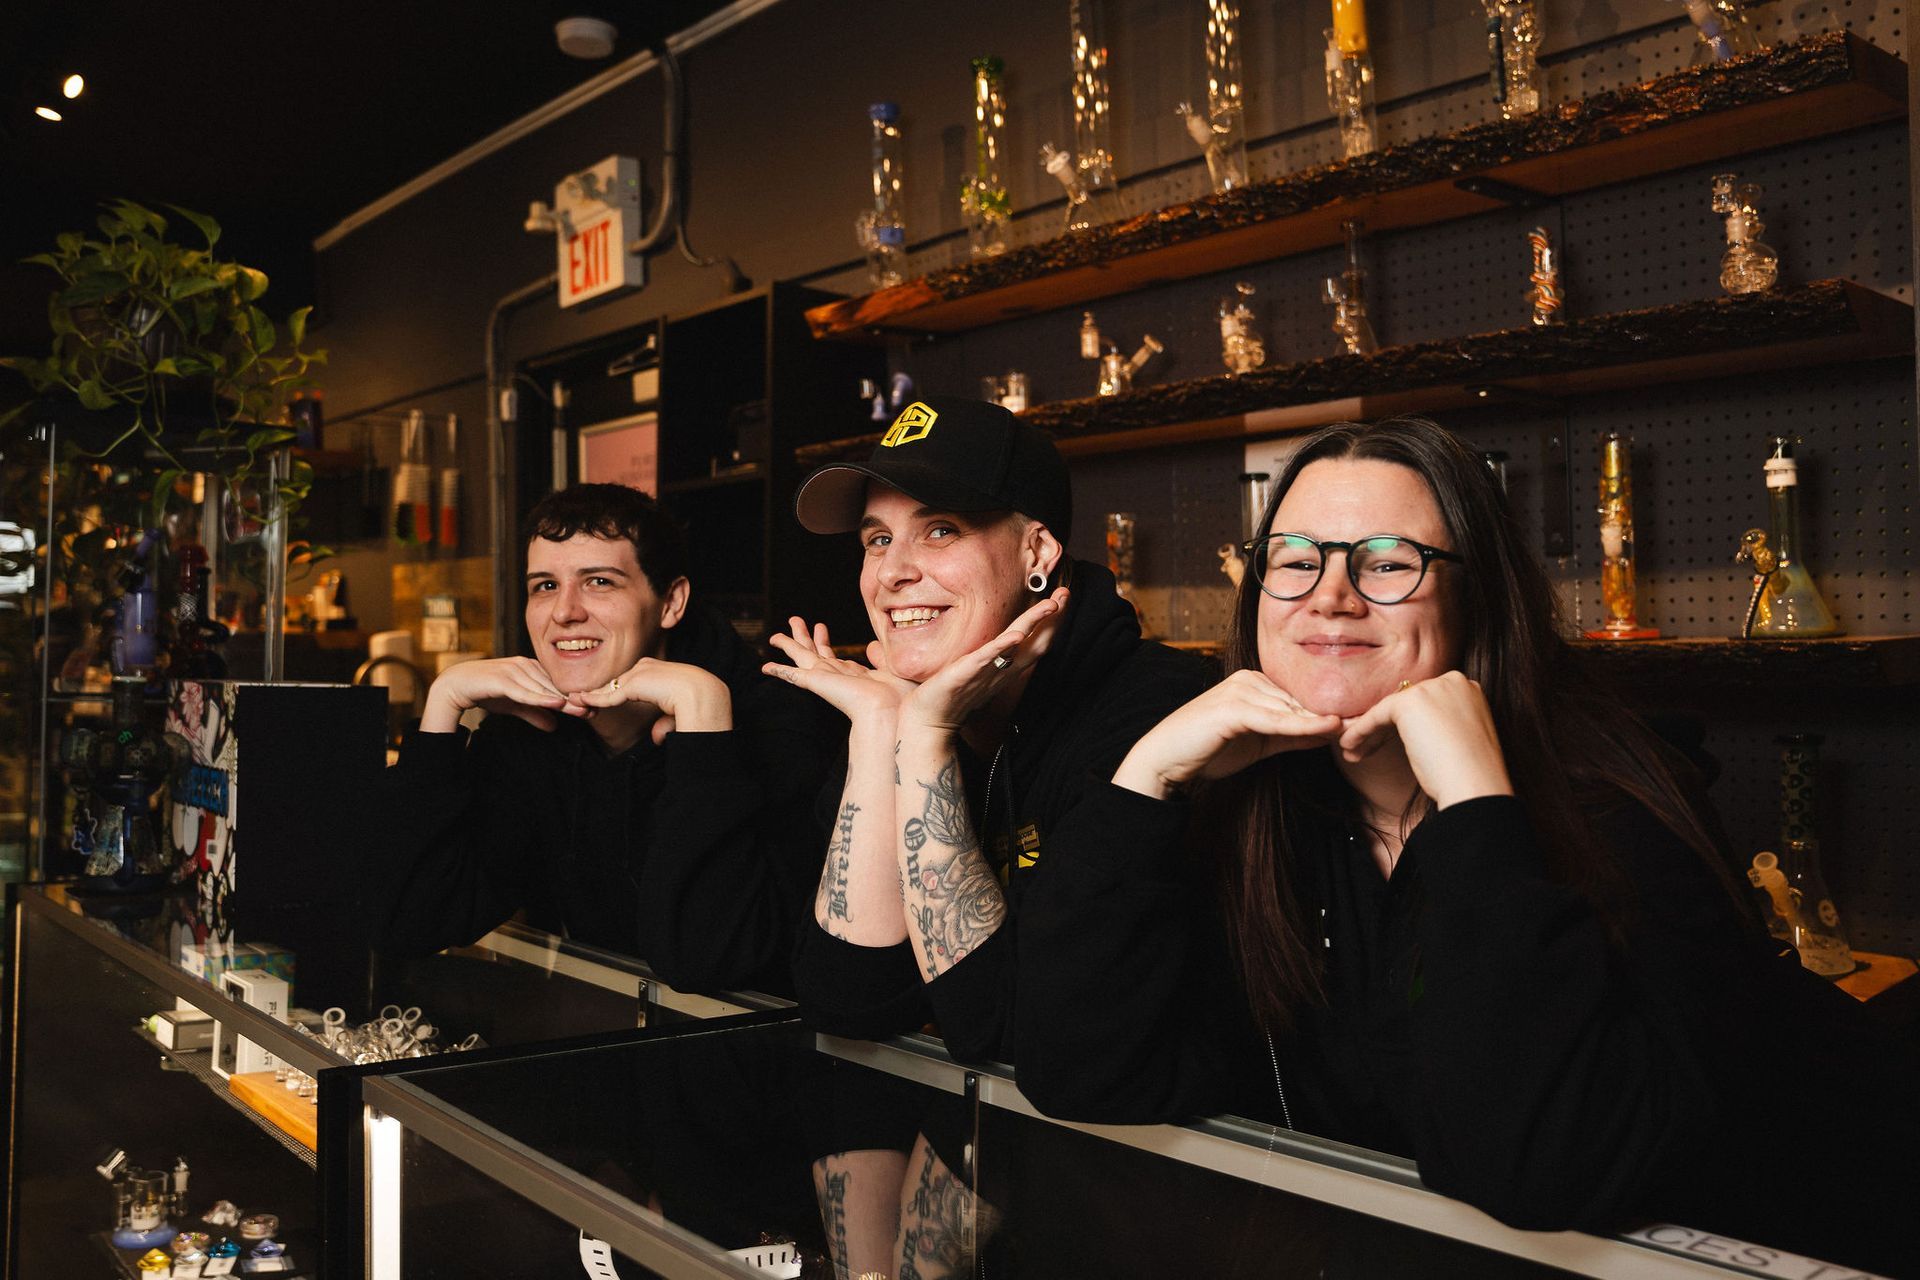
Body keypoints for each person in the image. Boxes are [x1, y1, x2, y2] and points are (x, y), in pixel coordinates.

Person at [1012, 418, 1917, 1274]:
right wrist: (1144, 779)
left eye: (1388, 564)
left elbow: (1542, 1166)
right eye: (1294, 561)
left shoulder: (1618, 801)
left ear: (1475, 596)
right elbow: (1082, 1072)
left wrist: (1479, 801)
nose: (1330, 597)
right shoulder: (1254, 812)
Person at [767, 396, 1214, 1063]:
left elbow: (998, 1033)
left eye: (940, 529)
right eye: (877, 539)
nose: (892, 573)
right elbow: (844, 1001)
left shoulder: (1152, 714)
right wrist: (880, 730)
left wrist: (924, 740)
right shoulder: (895, 698)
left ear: (1036, 550)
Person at [371, 482, 831, 996]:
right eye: (544, 585)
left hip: (776, 1057)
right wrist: (443, 705)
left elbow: (707, 964)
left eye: (599, 582)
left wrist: (703, 716)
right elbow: (408, 924)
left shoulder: (775, 720)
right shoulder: (529, 730)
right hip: (605, 1041)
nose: (565, 611)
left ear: (671, 603)